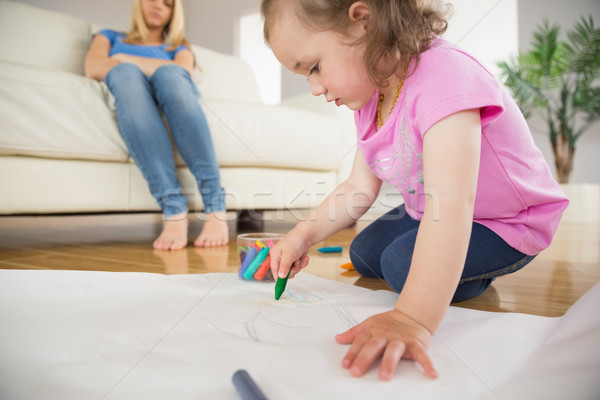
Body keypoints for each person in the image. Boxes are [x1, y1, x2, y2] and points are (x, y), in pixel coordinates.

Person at [261, 0, 569, 381]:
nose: (314, 88)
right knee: (364, 253)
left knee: (399, 266)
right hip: (430, 210)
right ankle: (441, 261)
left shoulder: (444, 76)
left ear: (363, 22)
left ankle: (474, 273)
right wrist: (301, 235)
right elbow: (358, 187)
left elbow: (453, 201)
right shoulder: (371, 96)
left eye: (314, 67)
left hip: (505, 221)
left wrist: (412, 316)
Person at [84, 0, 228, 250]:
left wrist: (124, 58)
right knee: (126, 75)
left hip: (173, 90)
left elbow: (182, 72)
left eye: (168, 3)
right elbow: (93, 67)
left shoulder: (179, 46)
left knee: (167, 75)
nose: (159, 5)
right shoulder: (107, 36)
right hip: (130, 93)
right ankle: (174, 210)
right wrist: (134, 68)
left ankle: (216, 208)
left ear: (174, 12)